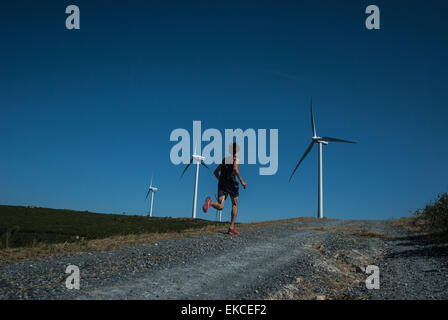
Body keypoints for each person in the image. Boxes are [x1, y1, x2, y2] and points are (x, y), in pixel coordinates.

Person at [202, 142, 247, 235]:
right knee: (234, 204)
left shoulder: (225, 160)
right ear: (237, 151)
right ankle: (231, 227)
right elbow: (235, 169)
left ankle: (210, 203)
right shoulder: (236, 159)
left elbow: (215, 172)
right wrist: (242, 181)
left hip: (222, 184)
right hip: (232, 184)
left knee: (220, 206)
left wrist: (221, 181)